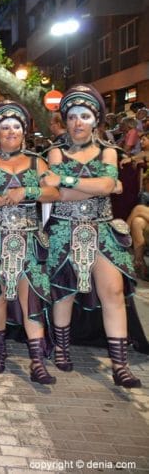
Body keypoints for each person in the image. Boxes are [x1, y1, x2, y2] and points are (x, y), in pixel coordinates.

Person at [41, 84, 147, 388]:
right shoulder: (56, 151)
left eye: (84, 116)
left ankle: (119, 364)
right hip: (64, 230)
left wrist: (69, 180)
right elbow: (59, 194)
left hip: (102, 231)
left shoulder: (108, 151)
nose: (78, 122)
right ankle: (61, 348)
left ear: (96, 120)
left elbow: (108, 185)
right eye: (72, 116)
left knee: (112, 292)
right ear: (65, 120)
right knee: (64, 291)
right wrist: (97, 185)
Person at [0, 101, 57, 384]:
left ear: (24, 132)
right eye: (5, 127)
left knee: (30, 296)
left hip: (28, 237)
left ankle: (37, 361)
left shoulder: (36, 161)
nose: (11, 132)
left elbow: (53, 193)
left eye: (16, 127)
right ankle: (0, 351)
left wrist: (28, 191)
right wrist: (7, 198)